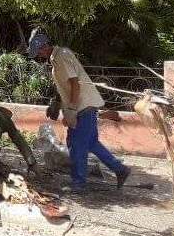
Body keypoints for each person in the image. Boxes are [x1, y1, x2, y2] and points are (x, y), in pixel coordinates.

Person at [28, 30, 131, 193]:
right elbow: (67, 86)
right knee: (91, 143)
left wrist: (72, 110)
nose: (39, 55)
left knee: (77, 145)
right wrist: (58, 103)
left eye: (39, 51)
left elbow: (75, 83)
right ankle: (120, 169)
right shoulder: (57, 58)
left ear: (44, 46)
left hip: (82, 106)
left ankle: (79, 184)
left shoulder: (61, 55)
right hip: (84, 105)